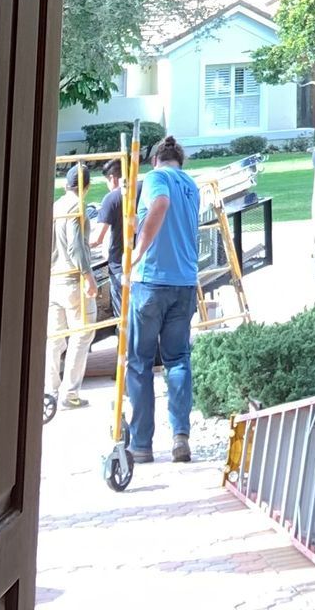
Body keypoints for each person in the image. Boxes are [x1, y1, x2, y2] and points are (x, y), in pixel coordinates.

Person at [126, 134, 203, 465]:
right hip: (184, 283)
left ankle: (141, 443)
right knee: (178, 359)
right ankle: (180, 435)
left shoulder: (156, 178)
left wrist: (137, 251)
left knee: (140, 362)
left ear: (155, 159)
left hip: (152, 281)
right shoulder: (192, 185)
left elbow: (160, 204)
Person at [46, 163, 94, 410]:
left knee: (55, 337)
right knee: (83, 333)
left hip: (54, 278)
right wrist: (89, 276)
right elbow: (77, 246)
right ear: (86, 186)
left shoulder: (56, 206)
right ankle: (70, 392)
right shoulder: (78, 208)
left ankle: (48, 389)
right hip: (73, 280)